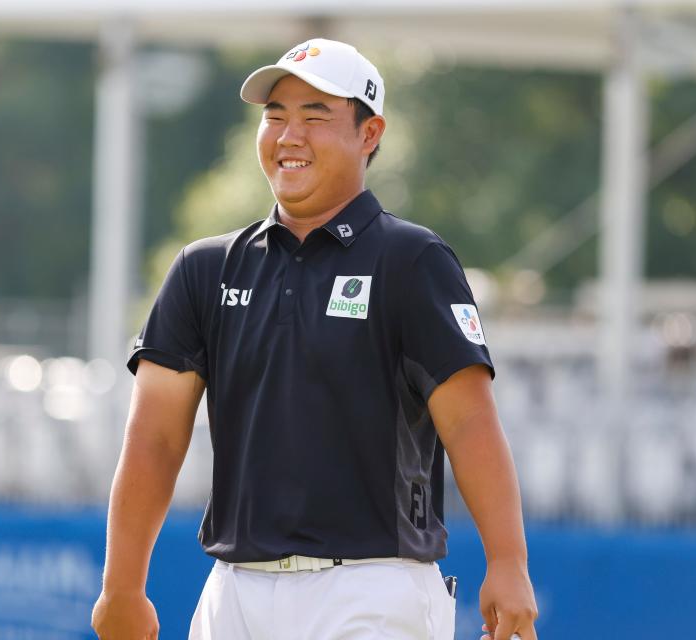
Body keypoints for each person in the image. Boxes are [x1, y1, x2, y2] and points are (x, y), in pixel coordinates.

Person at [91, 38, 538, 640]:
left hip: (375, 586)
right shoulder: (204, 269)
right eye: (275, 116)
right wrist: (122, 586)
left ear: (370, 133)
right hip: (235, 592)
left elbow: (469, 424)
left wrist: (508, 564)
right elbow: (154, 437)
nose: (288, 135)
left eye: (315, 116)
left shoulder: (413, 260)